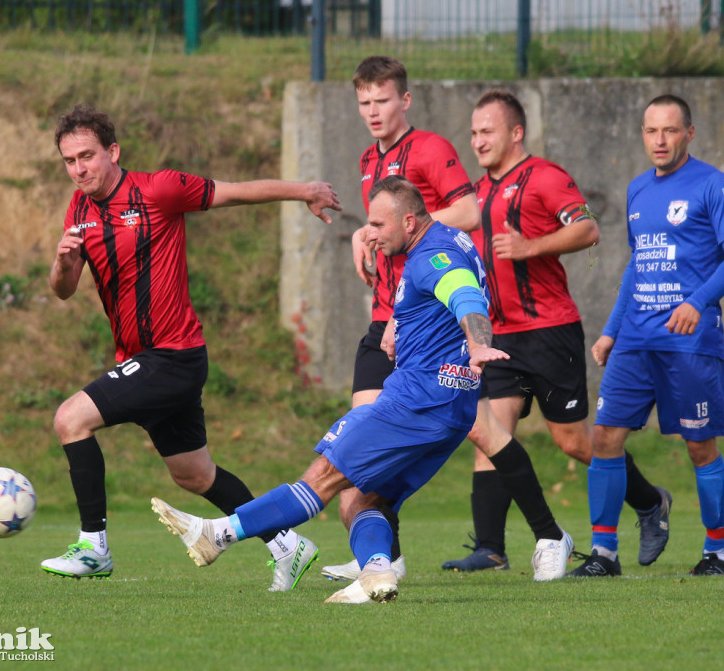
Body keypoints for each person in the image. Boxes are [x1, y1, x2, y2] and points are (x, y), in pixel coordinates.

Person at [152, 176, 509, 603]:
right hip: (454, 407)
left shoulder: (431, 256)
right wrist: (402, 324)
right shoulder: (452, 239)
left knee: (322, 477)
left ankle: (218, 534)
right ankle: (377, 573)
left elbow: (462, 293)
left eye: (378, 225)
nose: (370, 235)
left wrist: (479, 344)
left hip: (416, 400)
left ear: (410, 221)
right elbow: (444, 294)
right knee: (362, 497)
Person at [40, 104, 341, 592]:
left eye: (88, 156)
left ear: (112, 152)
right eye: (70, 160)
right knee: (195, 475)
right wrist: (62, 262)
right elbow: (64, 288)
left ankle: (93, 546)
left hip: (172, 356)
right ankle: (286, 543)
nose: (79, 168)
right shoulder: (80, 211)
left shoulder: (158, 189)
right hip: (142, 360)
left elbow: (237, 193)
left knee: (70, 419)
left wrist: (304, 190)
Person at [322, 57, 575, 583]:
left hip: (435, 324)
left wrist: (406, 226)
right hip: (388, 319)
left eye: (382, 100)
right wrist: (364, 234)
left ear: (405, 101)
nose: (372, 111)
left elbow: (469, 211)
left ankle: (550, 534)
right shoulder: (370, 157)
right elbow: (386, 225)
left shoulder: (432, 149)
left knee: (483, 431)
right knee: (366, 441)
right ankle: (381, 558)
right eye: (364, 102)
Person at [443, 89, 673, 574]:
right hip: (498, 335)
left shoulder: (545, 178)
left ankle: (651, 502)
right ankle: (490, 547)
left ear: (516, 132)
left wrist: (530, 247)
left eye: (487, 131)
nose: (477, 141)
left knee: (572, 442)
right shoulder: (477, 193)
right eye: (473, 132)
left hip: (549, 330)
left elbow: (587, 229)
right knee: (488, 431)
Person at [571, 94, 724, 577]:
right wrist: (611, 331)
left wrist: (698, 302)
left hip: (689, 343)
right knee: (605, 437)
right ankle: (604, 554)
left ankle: (718, 552)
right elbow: (637, 265)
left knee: (699, 446)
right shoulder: (636, 190)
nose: (660, 140)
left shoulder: (714, 185)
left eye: (670, 130)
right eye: (651, 131)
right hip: (634, 340)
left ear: (688, 133)